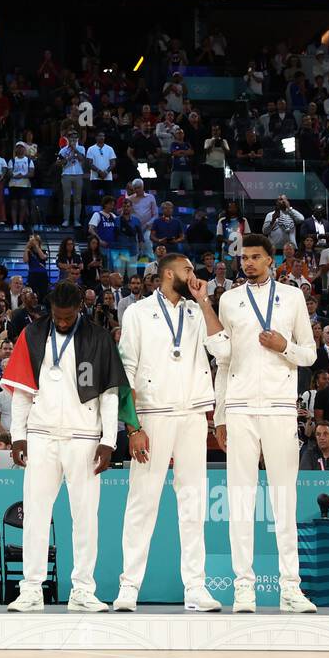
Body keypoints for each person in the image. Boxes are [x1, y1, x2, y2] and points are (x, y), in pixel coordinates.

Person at [2, 280, 129, 612]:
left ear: (79, 310)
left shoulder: (98, 338)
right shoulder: (32, 334)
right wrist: (18, 435)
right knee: (35, 515)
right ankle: (31, 589)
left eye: (67, 317)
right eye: (57, 316)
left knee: (85, 517)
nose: (61, 322)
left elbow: (110, 394)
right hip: (42, 435)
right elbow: (22, 393)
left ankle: (83, 590)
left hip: (85, 438)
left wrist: (108, 441)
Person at [114, 253, 228, 612]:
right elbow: (126, 368)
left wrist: (205, 301)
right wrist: (132, 427)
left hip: (193, 414)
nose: (194, 274)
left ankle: (195, 587)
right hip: (153, 414)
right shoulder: (138, 312)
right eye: (188, 269)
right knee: (142, 502)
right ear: (168, 273)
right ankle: (129, 586)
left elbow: (222, 349)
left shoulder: (197, 311)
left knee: (193, 503)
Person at [212, 234, 318, 613]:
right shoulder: (229, 300)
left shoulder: (292, 297)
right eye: (244, 258)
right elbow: (222, 362)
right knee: (240, 498)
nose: (249, 263)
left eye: (256, 257)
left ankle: (291, 587)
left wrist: (283, 348)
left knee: (283, 499)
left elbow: (310, 354)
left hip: (279, 407)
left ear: (272, 260)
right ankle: (244, 588)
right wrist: (220, 415)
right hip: (239, 407)